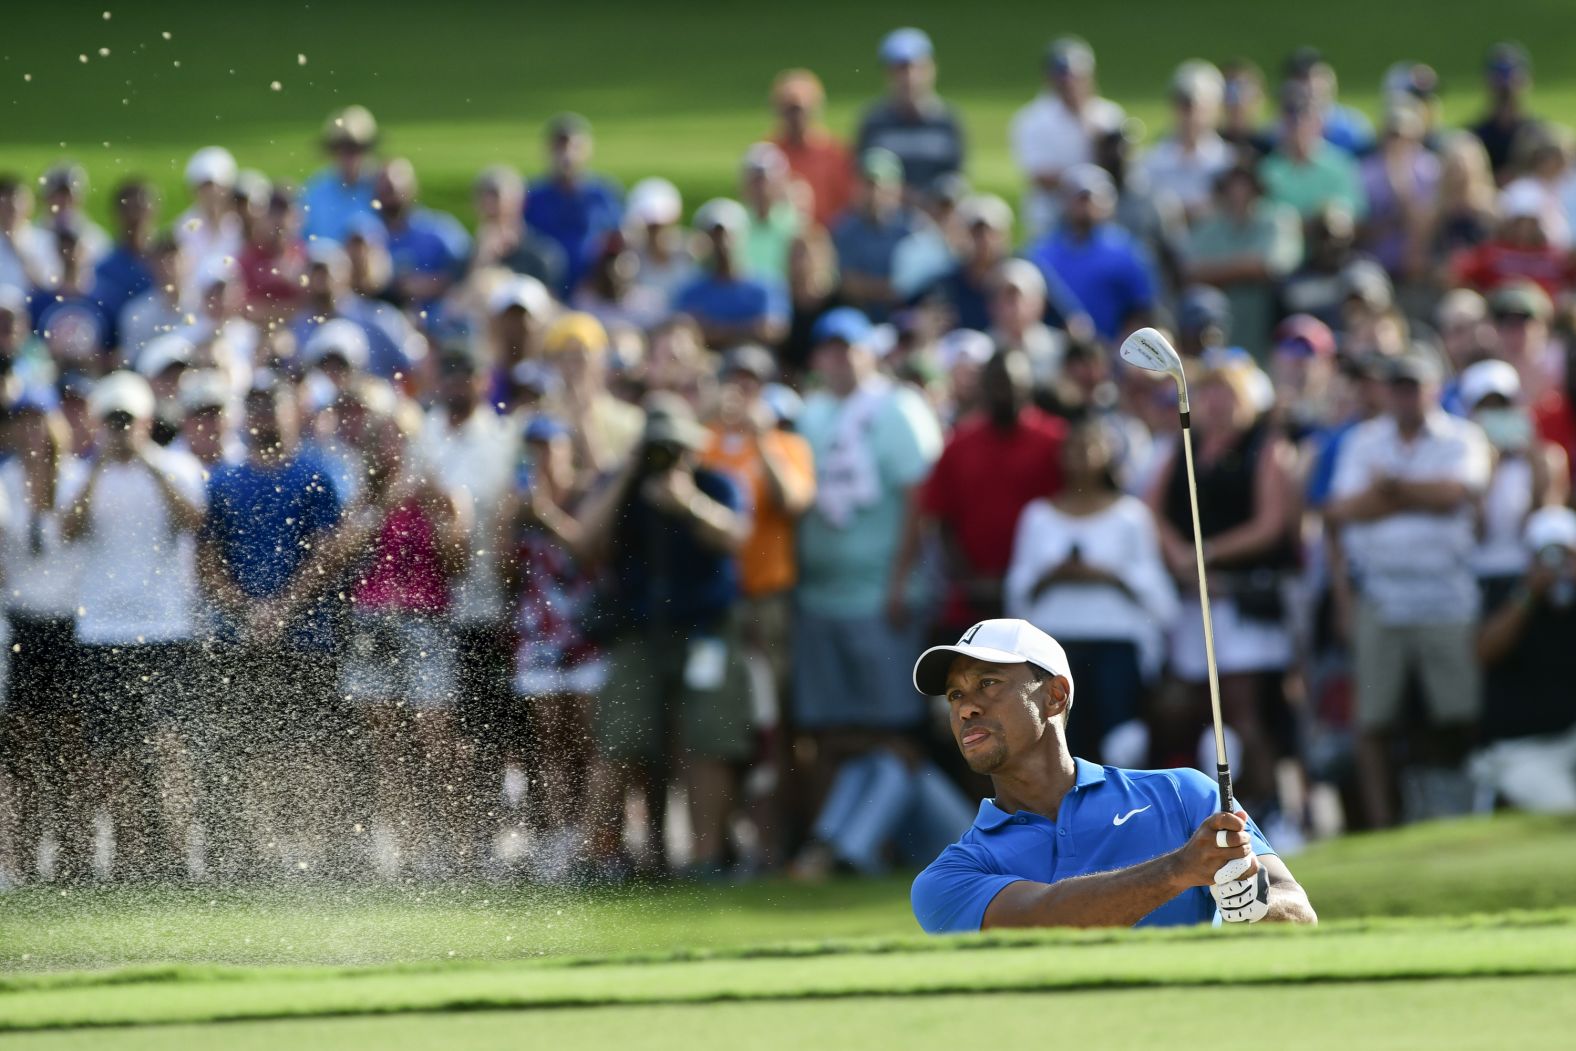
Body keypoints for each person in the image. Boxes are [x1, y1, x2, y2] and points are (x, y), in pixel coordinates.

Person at [909, 618, 1316, 930]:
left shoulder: (1182, 793)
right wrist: (1179, 870)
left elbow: (1297, 911)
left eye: (988, 683)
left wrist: (1252, 902)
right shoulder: (949, 876)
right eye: (956, 695)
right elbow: (1044, 919)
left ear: (1055, 696)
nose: (966, 708)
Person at [577, 395, 753, 878]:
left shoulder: (715, 484)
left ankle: (705, 859)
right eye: (656, 447)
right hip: (638, 631)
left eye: (673, 447)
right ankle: (596, 858)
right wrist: (626, 478)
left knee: (708, 739)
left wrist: (688, 502)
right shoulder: (624, 488)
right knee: (620, 738)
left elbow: (737, 536)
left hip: (707, 630)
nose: (665, 456)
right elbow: (582, 543)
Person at [1326, 352, 1492, 828]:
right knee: (1373, 719)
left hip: (1447, 594)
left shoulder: (1464, 437)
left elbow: (1458, 493)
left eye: (1414, 385)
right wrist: (1422, 495)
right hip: (1380, 595)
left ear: (1435, 388)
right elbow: (1341, 511)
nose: (1405, 394)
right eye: (1397, 385)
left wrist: (1391, 489)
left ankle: (1462, 811)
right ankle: (1383, 823)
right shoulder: (1363, 439)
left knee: (1458, 713)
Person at [197, 374, 348, 878]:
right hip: (237, 635)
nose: (263, 415)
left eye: (272, 405)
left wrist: (282, 608)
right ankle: (256, 852)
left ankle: (306, 850)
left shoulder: (315, 475)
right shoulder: (223, 479)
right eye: (254, 406)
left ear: (292, 412)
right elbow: (207, 560)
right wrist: (247, 610)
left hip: (307, 636)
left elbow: (328, 554)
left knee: (306, 747)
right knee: (248, 746)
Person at [61, 372, 207, 881]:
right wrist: (100, 466)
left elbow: (192, 521)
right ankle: (130, 858)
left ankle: (178, 855)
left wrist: (146, 461)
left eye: (127, 419)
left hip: (165, 628)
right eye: (112, 420)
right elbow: (68, 529)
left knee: (169, 746)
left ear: (146, 420)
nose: (120, 429)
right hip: (102, 630)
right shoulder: (85, 475)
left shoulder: (177, 467)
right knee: (114, 758)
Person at [1148, 360, 1299, 808]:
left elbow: (1272, 524)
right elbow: (1149, 509)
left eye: (1227, 394)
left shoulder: (1266, 446)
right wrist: (1179, 555)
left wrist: (1206, 554)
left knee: (1244, 707)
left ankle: (1269, 803)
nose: (1216, 404)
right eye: (1209, 394)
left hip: (1244, 597)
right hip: (1192, 600)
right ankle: (1211, 810)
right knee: (1197, 708)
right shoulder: (1181, 448)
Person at [339, 406, 470, 877]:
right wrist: (380, 509)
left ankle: (457, 848)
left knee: (436, 736)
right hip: (373, 622)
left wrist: (437, 510)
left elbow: (458, 562)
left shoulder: (437, 496)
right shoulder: (364, 499)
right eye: (383, 440)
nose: (391, 448)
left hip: (424, 622)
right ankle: (406, 854)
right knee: (387, 745)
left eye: (400, 439)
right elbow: (338, 554)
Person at [1004, 419, 1179, 766]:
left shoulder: (1131, 516)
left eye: (1090, 447)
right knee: (1063, 739)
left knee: (1121, 739)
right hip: (1055, 645)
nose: (1081, 457)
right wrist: (1053, 576)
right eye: (1073, 448)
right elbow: (1018, 587)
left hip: (1115, 644)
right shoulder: (1037, 515)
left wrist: (1106, 576)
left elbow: (1155, 589)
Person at [701, 345, 817, 866]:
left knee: (778, 726)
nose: (742, 392)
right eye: (736, 380)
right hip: (719, 604)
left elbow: (790, 501)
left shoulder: (787, 443)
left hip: (770, 602)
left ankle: (778, 845)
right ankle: (723, 844)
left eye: (753, 383)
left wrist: (760, 437)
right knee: (721, 728)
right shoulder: (705, 446)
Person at [413, 348, 519, 872]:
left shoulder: (502, 442)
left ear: (483, 379)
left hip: (485, 608)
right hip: (425, 612)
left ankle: (487, 839)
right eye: (449, 373)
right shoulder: (420, 437)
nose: (458, 383)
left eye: (467, 373)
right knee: (434, 732)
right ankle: (445, 840)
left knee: (487, 730)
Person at [890, 348, 1067, 636]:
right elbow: (942, 521)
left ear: (1028, 385)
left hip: (1043, 600)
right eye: (997, 382)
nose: (1004, 391)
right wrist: (971, 581)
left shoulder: (1055, 440)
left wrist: (1021, 582)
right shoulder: (959, 444)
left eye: (1012, 382)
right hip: (971, 602)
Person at [498, 416, 603, 880]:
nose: (542, 457)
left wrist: (546, 516)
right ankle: (559, 837)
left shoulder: (586, 495)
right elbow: (504, 574)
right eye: (534, 448)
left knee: (586, 736)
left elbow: (589, 551)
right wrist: (510, 521)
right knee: (549, 741)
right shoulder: (519, 505)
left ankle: (590, 834)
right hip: (538, 635)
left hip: (583, 632)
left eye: (549, 447)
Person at [0, 388, 91, 882]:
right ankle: (29, 855)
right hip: (24, 622)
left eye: (39, 420)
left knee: (72, 746)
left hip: (71, 622)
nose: (31, 430)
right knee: (26, 747)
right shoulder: (6, 481)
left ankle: (75, 856)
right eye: (22, 421)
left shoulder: (78, 477)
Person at [1471, 506, 1576, 812]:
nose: (1556, 567)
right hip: (1518, 749)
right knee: (1564, 811)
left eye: (1564, 555)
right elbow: (1484, 651)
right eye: (1547, 556)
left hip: (1570, 740)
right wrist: (1530, 594)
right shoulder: (1507, 595)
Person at [1024, 165, 1157, 344]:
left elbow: (1142, 308)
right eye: (1079, 198)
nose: (1085, 206)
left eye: (1091, 198)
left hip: (1118, 352)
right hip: (1056, 352)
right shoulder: (1041, 252)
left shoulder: (1128, 251)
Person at [1183, 165, 1303, 360]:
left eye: (1245, 186)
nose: (1239, 193)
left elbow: (1270, 265)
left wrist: (1217, 272)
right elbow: (1191, 272)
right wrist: (1243, 268)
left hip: (1265, 320)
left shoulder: (1277, 219)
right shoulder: (1209, 226)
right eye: (1233, 187)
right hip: (1220, 325)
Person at [1011, 37, 1125, 238]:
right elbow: (1040, 176)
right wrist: (1087, 180)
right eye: (1063, 77)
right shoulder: (1032, 120)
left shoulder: (1109, 115)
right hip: (1050, 219)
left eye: (1077, 76)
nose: (1071, 83)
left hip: (1101, 217)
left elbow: (1121, 172)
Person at [855, 28, 965, 196]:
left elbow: (957, 177)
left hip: (937, 212)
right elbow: (861, 177)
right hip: (889, 215)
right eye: (900, 69)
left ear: (932, 68)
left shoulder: (947, 121)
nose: (909, 77)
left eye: (916, 68)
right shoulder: (873, 122)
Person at [524, 113, 623, 296]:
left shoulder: (603, 194)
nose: (567, 155)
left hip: (595, 291)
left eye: (574, 147)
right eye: (560, 147)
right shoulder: (532, 195)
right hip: (543, 290)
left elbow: (618, 239)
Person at [673, 199, 788, 350]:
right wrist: (750, 328)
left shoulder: (768, 285)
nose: (722, 243)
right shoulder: (690, 291)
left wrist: (714, 329)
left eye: (728, 235)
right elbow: (686, 335)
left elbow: (772, 331)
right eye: (715, 236)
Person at [830, 149, 921, 323]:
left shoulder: (913, 228)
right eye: (865, 184)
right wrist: (889, 288)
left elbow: (914, 287)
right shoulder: (843, 229)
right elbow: (849, 285)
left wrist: (872, 286)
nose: (872, 192)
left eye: (877, 184)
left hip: (905, 323)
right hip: (858, 321)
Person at [374, 158, 471, 316]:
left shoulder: (439, 230)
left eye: (395, 189)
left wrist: (434, 284)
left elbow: (468, 270)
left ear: (412, 188)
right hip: (383, 319)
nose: (390, 195)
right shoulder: (368, 234)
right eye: (385, 189)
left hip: (440, 319)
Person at [1258, 86, 1366, 226]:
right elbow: (1263, 213)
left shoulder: (1340, 163)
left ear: (1319, 124)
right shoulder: (1268, 169)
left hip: (1330, 242)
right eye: (1292, 122)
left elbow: (1357, 211)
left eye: (1305, 119)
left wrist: (1332, 213)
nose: (1298, 127)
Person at [1139, 61, 1232, 220]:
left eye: (1198, 105)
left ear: (1216, 108)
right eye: (1183, 104)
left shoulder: (1228, 160)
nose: (1190, 113)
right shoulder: (1151, 159)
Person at [769, 69, 854, 228]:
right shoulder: (769, 153)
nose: (794, 117)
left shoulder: (836, 153)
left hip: (828, 235)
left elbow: (847, 205)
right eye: (787, 109)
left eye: (798, 109)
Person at [469, 165, 566, 292]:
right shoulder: (467, 255)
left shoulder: (543, 255)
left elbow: (549, 302)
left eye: (498, 206)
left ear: (520, 204)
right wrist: (481, 260)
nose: (490, 207)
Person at [93, 179, 159, 349]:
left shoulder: (165, 261)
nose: (135, 217)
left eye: (140, 209)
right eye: (128, 209)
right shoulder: (104, 268)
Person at [300, 105, 380, 245]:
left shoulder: (382, 188)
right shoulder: (315, 191)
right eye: (340, 148)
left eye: (354, 148)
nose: (347, 155)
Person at [174, 147, 243, 300]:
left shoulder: (240, 225)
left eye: (217, 186)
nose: (212, 193)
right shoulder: (182, 228)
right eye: (204, 187)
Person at [1471, 43, 1540, 181]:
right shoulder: (1474, 137)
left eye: (1511, 76)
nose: (1505, 84)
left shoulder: (1539, 135)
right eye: (1499, 76)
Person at [739, 143, 802, 284]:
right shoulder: (737, 222)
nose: (761, 187)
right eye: (755, 180)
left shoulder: (796, 224)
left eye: (765, 180)